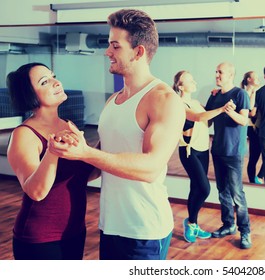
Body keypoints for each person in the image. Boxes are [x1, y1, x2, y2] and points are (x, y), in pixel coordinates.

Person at [48, 9, 185, 260]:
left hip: (144, 230)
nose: (107, 52)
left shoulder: (164, 99)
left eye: (115, 46)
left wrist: (86, 152)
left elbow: (151, 168)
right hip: (111, 224)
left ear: (138, 51)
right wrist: (52, 172)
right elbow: (100, 161)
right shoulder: (114, 100)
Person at [6, 62, 96, 260]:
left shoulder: (68, 125)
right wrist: (52, 150)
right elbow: (36, 191)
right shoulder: (24, 134)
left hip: (75, 231)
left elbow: (85, 174)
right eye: (45, 81)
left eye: (53, 76)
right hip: (39, 239)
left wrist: (104, 144)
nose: (56, 82)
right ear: (30, 95)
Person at [173, 70, 235, 243]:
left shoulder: (196, 102)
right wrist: (222, 108)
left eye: (194, 79)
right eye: (189, 80)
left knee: (196, 188)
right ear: (180, 85)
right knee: (204, 188)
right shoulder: (179, 103)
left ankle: (193, 224)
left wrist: (215, 98)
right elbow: (199, 118)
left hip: (202, 149)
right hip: (189, 150)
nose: (194, 82)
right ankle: (190, 222)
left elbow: (208, 117)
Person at [205, 61, 252, 249]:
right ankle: (228, 225)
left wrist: (229, 112)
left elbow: (244, 121)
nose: (217, 75)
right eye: (216, 71)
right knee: (222, 192)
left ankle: (245, 232)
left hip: (234, 152)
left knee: (237, 194)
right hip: (217, 149)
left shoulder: (240, 94)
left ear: (231, 75)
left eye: (220, 72)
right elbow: (206, 119)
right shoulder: (215, 96)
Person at [241, 71, 264, 184]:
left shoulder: (256, 91)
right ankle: (253, 181)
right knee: (254, 156)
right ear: (249, 79)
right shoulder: (244, 93)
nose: (258, 78)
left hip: (257, 127)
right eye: (255, 76)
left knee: (262, 155)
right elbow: (251, 111)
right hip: (252, 127)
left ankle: (257, 177)